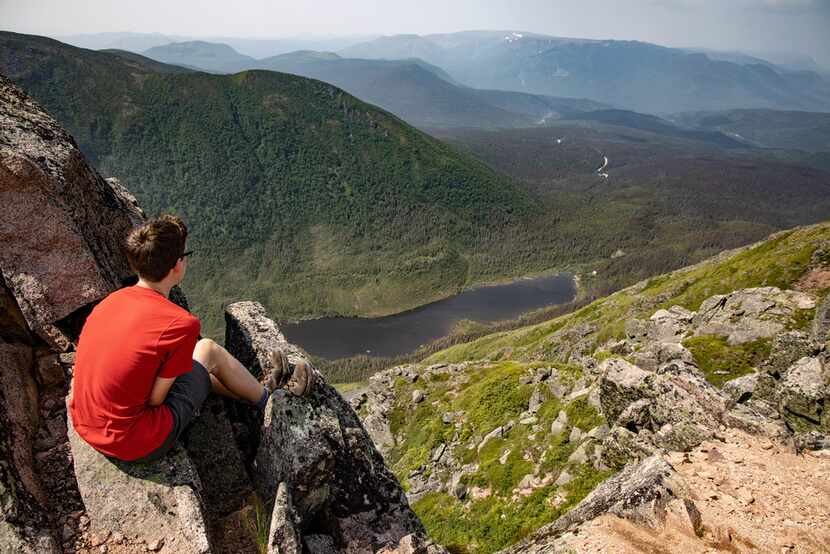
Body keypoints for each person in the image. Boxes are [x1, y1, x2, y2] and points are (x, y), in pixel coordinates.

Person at [69, 214, 316, 463]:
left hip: (88, 424)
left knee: (194, 370)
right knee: (207, 351)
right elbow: (156, 400)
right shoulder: (180, 324)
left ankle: (251, 392)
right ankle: (270, 401)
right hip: (134, 441)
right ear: (177, 266)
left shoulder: (111, 302)